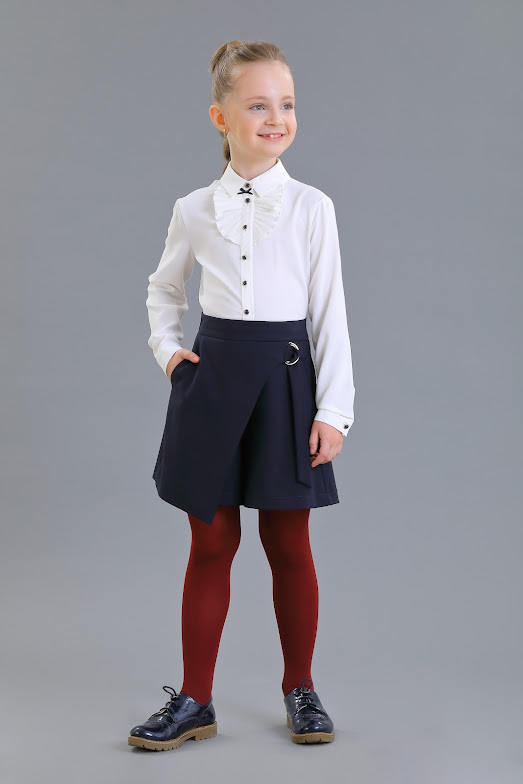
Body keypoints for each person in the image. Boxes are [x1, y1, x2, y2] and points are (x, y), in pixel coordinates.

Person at [128, 39, 355, 752]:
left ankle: (301, 688)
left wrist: (334, 410)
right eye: (258, 105)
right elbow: (163, 289)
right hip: (214, 384)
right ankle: (195, 699)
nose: (276, 118)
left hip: (287, 382)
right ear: (220, 117)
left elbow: (330, 312)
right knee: (211, 543)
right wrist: (170, 354)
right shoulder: (194, 209)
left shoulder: (313, 207)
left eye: (286, 104)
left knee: (288, 542)